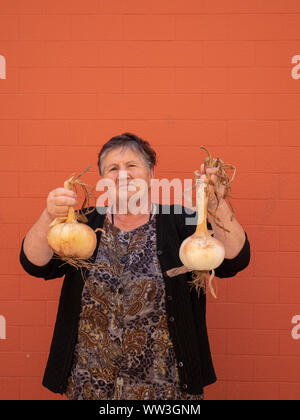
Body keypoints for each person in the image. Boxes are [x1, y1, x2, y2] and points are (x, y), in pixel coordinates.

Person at [19, 133, 250, 400]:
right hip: (90, 384)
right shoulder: (83, 223)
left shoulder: (182, 221)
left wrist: (217, 206)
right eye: (112, 169)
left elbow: (235, 260)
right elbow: (35, 264)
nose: (122, 175)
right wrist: (49, 215)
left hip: (167, 387)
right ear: (104, 180)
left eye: (132, 166)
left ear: (150, 174)